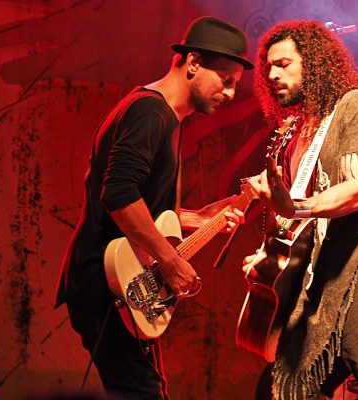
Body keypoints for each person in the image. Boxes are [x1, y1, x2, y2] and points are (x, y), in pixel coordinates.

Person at [55, 16, 253, 399]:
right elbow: (118, 196)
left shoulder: (163, 116)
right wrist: (171, 261)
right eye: (225, 80)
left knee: (145, 390)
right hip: (108, 283)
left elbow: (145, 206)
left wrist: (202, 218)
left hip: (124, 283)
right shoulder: (151, 113)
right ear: (193, 63)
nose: (229, 94)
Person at [245, 20, 358, 399]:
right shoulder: (297, 133)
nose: (272, 75)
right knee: (282, 389)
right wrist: (269, 257)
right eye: (268, 67)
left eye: (284, 64)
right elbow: (298, 223)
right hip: (320, 279)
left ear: (315, 62)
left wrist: (295, 206)